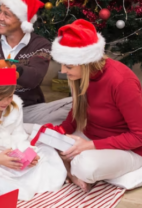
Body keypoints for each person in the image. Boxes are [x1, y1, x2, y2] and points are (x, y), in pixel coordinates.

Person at [51, 19, 142, 192]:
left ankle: (72, 169)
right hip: (89, 139)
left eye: (68, 66)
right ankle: (72, 170)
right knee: (41, 140)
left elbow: (139, 136)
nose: (63, 71)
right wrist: (56, 134)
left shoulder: (122, 82)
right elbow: (74, 116)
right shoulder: (80, 78)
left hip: (129, 149)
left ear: (86, 62)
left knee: (85, 166)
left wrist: (89, 146)